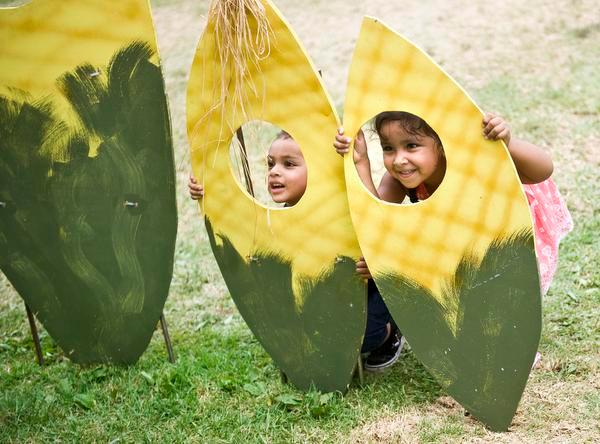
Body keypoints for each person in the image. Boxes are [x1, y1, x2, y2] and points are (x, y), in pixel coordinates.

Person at [334, 111, 573, 368]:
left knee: (501, 293)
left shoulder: (474, 164)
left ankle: (513, 338)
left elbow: (543, 169)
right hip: (455, 236)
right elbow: (376, 222)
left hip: (503, 232)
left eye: (411, 146)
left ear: (442, 143)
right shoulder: (399, 180)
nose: (399, 160)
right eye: (388, 148)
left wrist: (508, 143)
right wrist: (361, 164)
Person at [190, 130, 405, 372]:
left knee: (363, 336)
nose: (274, 172)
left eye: (289, 164)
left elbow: (378, 236)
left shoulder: (340, 210)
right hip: (323, 297)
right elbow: (236, 227)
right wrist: (207, 196)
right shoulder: (276, 220)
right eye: (270, 164)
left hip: (367, 293)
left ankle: (391, 330)